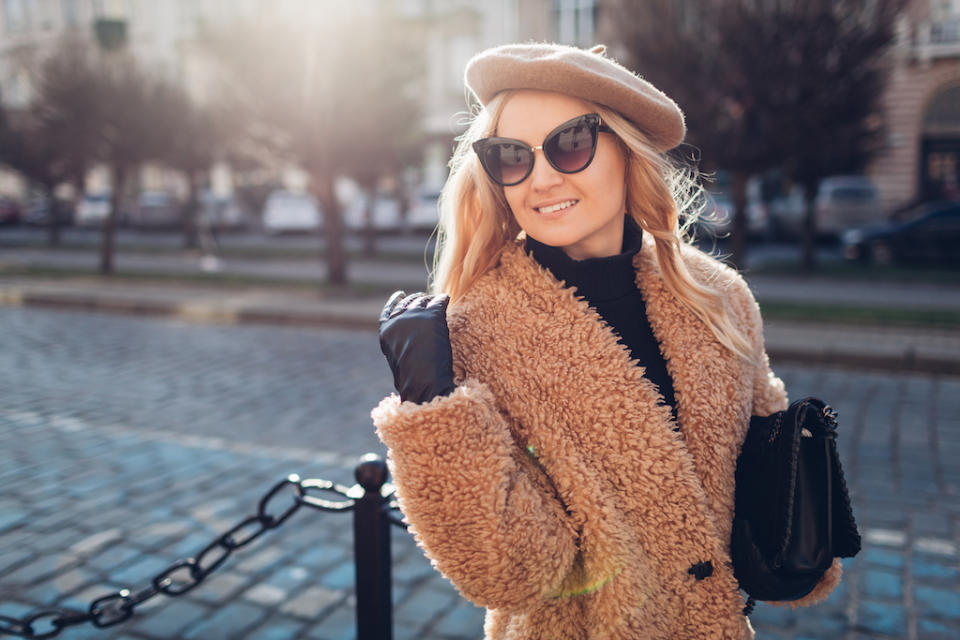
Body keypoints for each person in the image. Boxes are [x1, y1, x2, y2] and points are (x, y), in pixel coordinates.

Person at [374, 43, 843, 640]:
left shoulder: (717, 295)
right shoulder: (475, 328)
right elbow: (507, 574)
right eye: (510, 156)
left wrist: (793, 540)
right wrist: (428, 404)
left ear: (626, 151)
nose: (541, 178)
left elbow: (766, 477)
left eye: (570, 144)